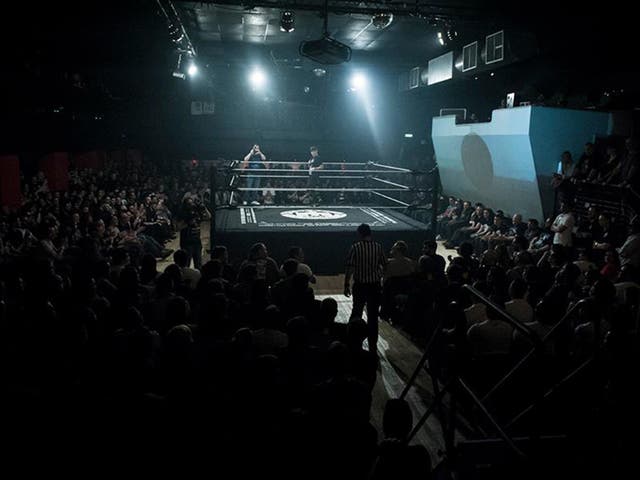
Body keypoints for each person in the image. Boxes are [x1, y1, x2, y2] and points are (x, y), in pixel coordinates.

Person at [344, 223, 387, 352]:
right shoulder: (378, 247)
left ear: (360, 234)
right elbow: (385, 264)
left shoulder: (355, 247)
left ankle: (351, 340)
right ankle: (373, 346)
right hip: (374, 285)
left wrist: (346, 284)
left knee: (356, 312)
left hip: (361, 285)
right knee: (373, 316)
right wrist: (379, 276)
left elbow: (350, 267)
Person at [177, 196, 209, 269]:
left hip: (197, 241)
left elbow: (208, 216)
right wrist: (188, 223)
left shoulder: (197, 212)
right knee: (185, 264)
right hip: (186, 242)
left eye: (192, 203)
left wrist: (204, 208)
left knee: (198, 264)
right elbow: (178, 227)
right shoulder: (183, 214)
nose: (191, 205)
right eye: (189, 204)